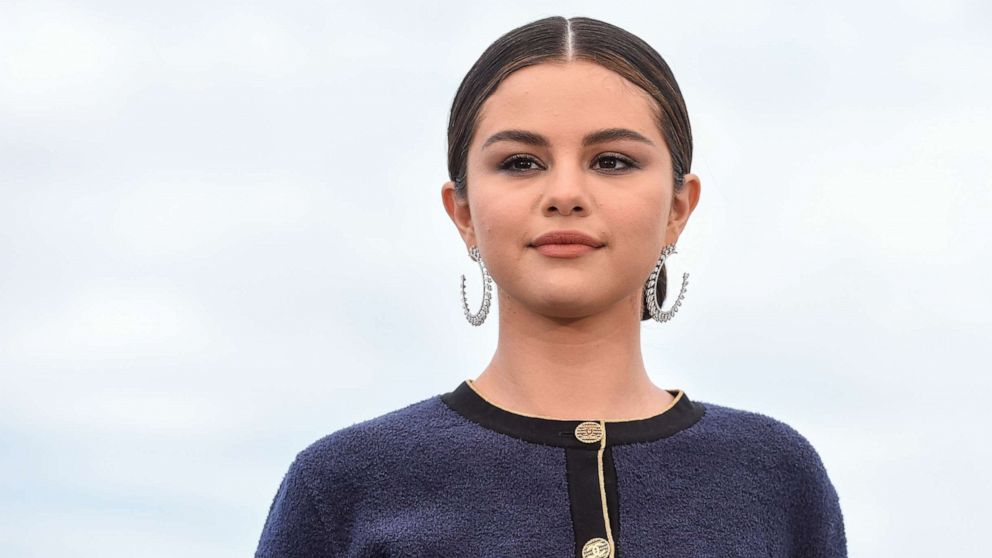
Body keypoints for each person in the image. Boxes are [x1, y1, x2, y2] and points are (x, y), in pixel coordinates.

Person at [254, 15, 847, 558]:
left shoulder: (774, 474)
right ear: (462, 212)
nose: (565, 193)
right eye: (520, 162)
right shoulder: (345, 484)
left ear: (677, 207)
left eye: (612, 160)